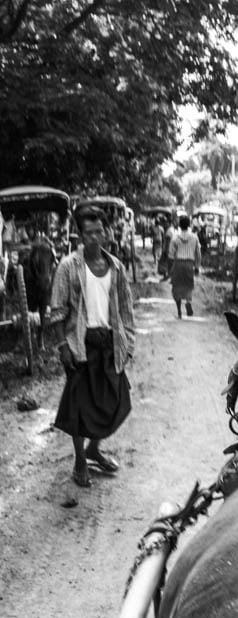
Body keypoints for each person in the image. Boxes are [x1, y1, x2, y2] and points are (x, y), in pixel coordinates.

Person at [50, 206, 135, 489]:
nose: (95, 237)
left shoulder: (116, 267)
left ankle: (94, 449)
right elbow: (57, 311)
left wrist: (128, 343)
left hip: (109, 342)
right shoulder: (68, 267)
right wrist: (63, 346)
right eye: (89, 233)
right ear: (79, 234)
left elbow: (126, 309)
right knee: (79, 406)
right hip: (79, 344)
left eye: (100, 231)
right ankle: (80, 460)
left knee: (115, 400)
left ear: (107, 232)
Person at [168, 214, 201, 318]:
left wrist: (170, 269)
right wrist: (197, 267)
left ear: (179, 225)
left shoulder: (175, 238)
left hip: (178, 264)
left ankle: (179, 312)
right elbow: (198, 254)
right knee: (188, 285)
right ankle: (188, 302)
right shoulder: (194, 237)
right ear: (189, 225)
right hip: (189, 265)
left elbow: (170, 254)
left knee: (176, 287)